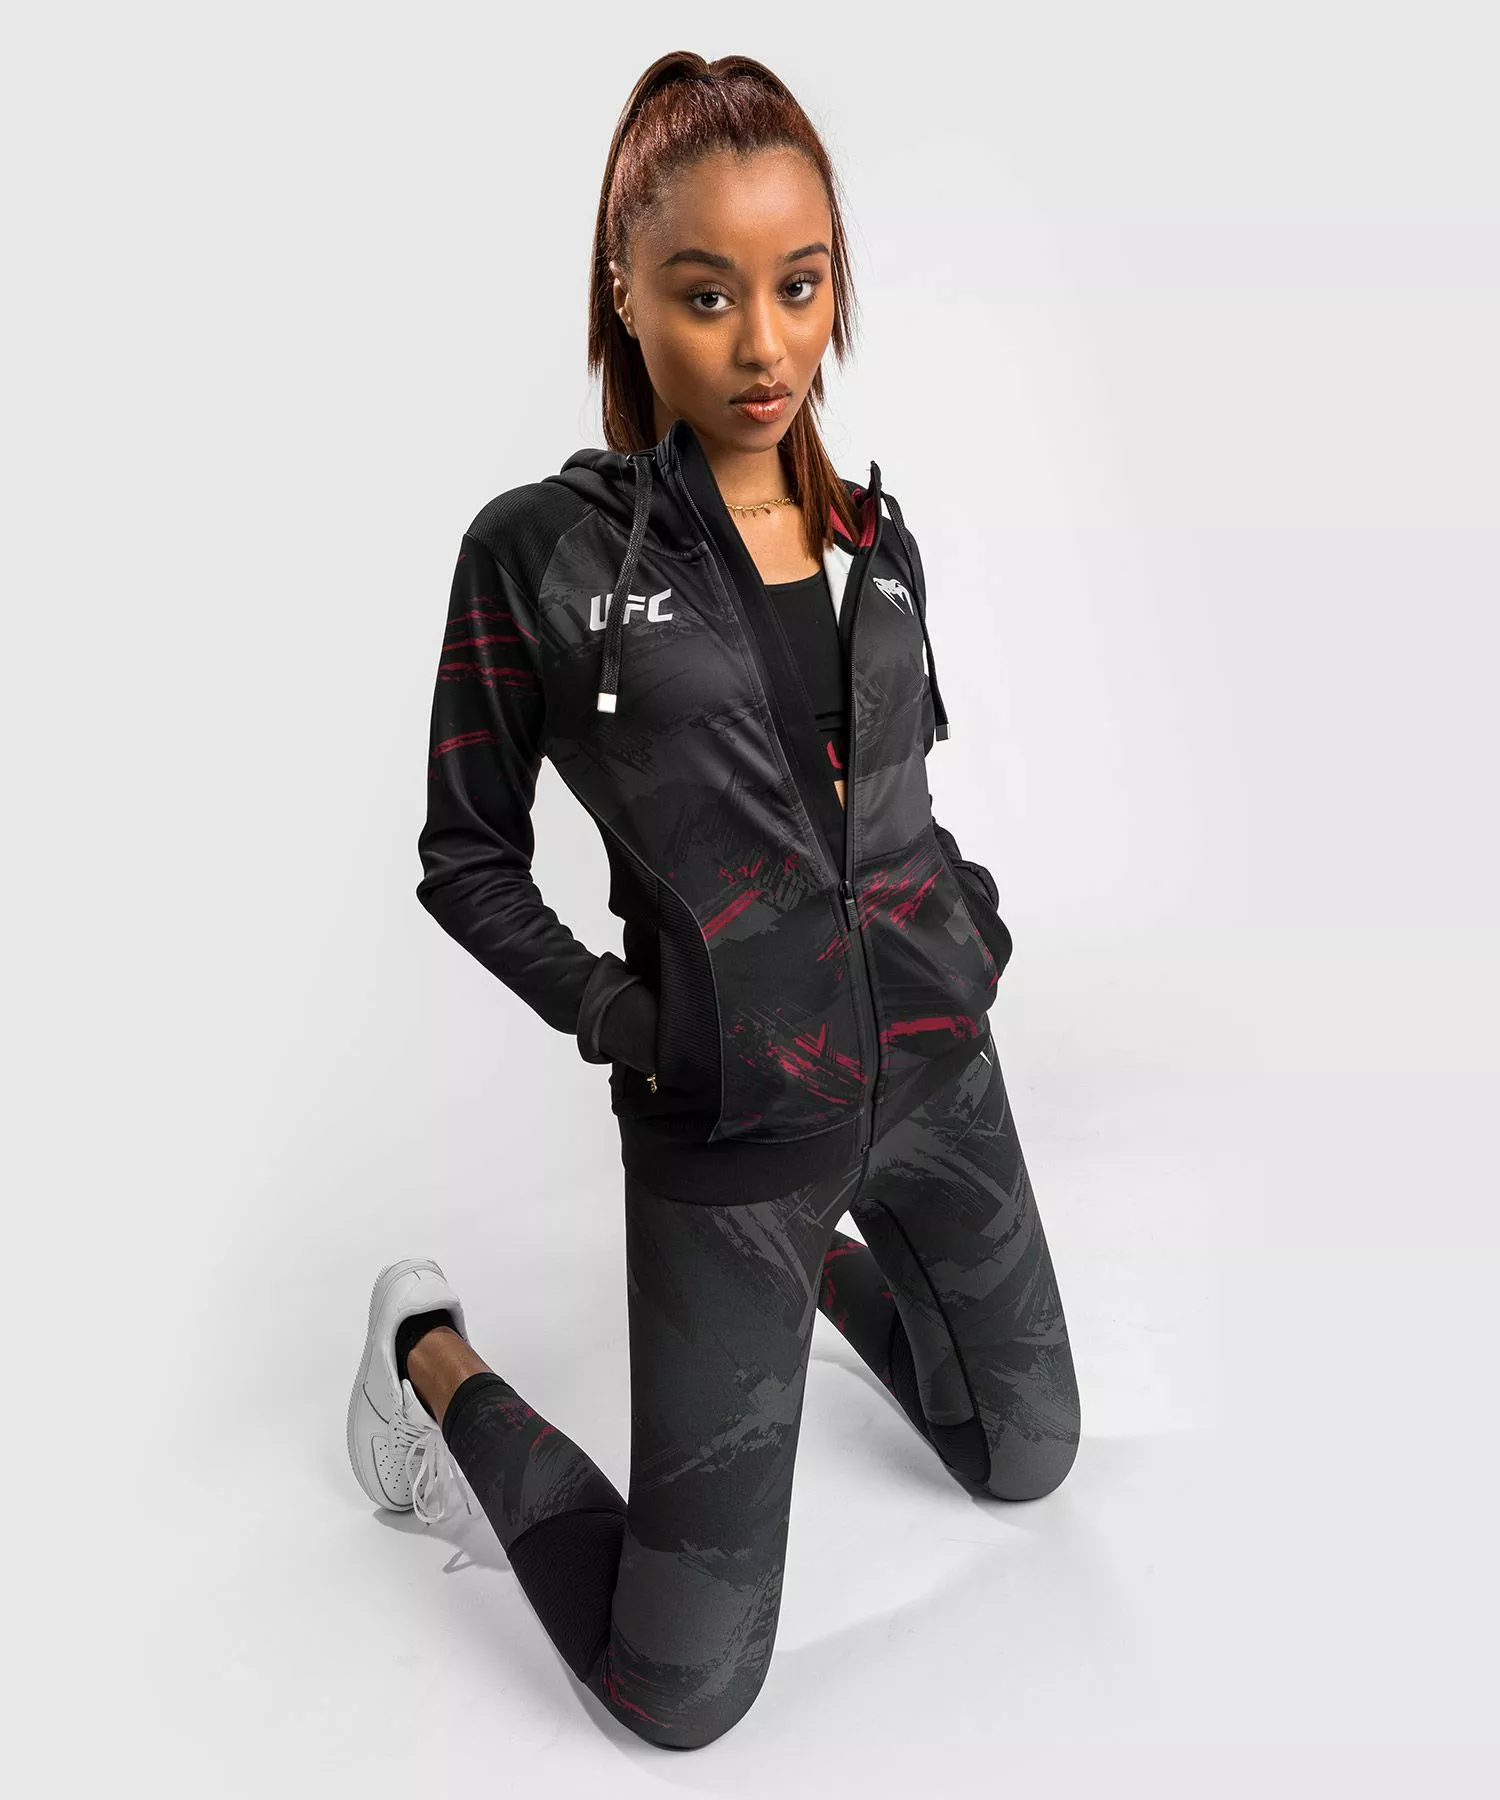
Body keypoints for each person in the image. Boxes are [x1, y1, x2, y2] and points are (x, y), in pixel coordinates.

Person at [346, 50, 1080, 1751]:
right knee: (680, 1697)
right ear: (626, 290)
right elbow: (465, 854)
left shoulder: (873, 534)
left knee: (1026, 1458)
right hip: (736, 1130)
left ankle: (831, 1276)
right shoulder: (541, 556)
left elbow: (884, 795)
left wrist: (965, 920)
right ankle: (422, 1364)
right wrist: (630, 1017)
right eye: (707, 294)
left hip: (939, 1078)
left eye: (800, 285)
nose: (765, 345)